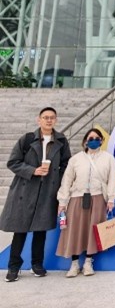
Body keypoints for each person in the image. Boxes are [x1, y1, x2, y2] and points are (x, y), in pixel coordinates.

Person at [0, 107, 71, 282]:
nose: (49, 120)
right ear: (39, 120)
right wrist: (33, 170)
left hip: (48, 191)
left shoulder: (61, 140)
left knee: (41, 231)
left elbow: (66, 164)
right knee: (20, 230)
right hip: (25, 190)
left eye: (52, 117)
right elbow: (13, 162)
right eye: (45, 117)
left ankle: (37, 264)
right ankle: (14, 266)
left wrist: (56, 178)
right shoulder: (27, 139)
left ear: (56, 120)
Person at [56, 128, 115, 278]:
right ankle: (74, 263)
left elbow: (113, 178)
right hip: (77, 197)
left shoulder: (108, 158)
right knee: (74, 230)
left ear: (102, 141)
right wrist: (62, 201)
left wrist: (111, 198)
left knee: (93, 230)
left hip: (98, 197)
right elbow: (67, 180)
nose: (94, 141)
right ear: (85, 141)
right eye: (90, 138)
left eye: (97, 138)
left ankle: (88, 262)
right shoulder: (76, 159)